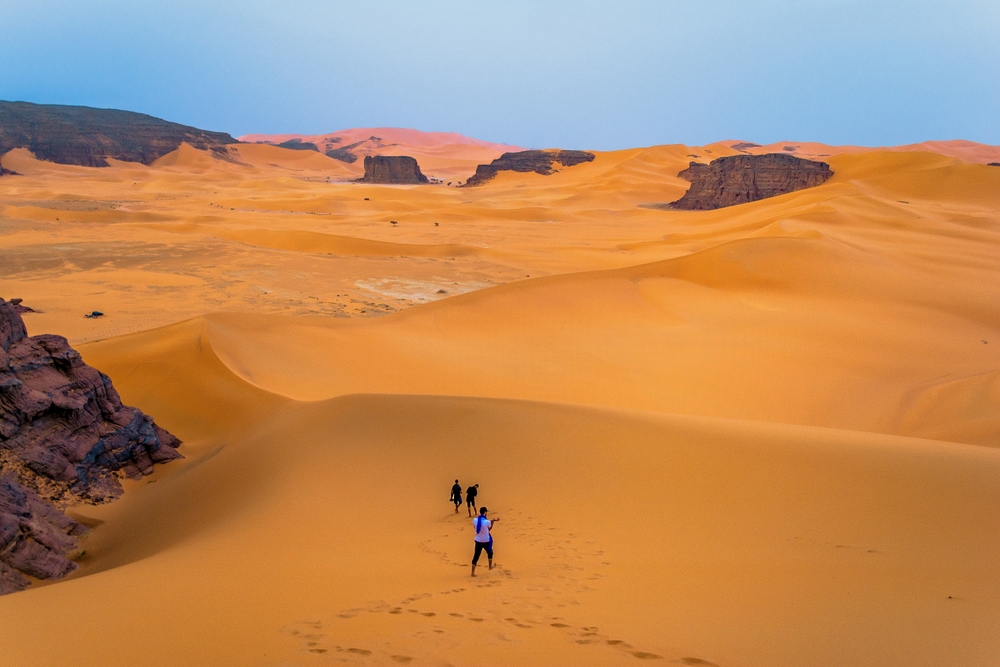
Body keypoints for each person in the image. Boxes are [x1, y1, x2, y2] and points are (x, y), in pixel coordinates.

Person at [471, 506, 498, 576]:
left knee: (476, 556)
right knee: (490, 552)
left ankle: (472, 572)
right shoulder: (487, 522)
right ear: (485, 513)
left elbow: (476, 528)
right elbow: (489, 528)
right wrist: (493, 522)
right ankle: (490, 566)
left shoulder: (475, 520)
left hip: (478, 541)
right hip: (486, 541)